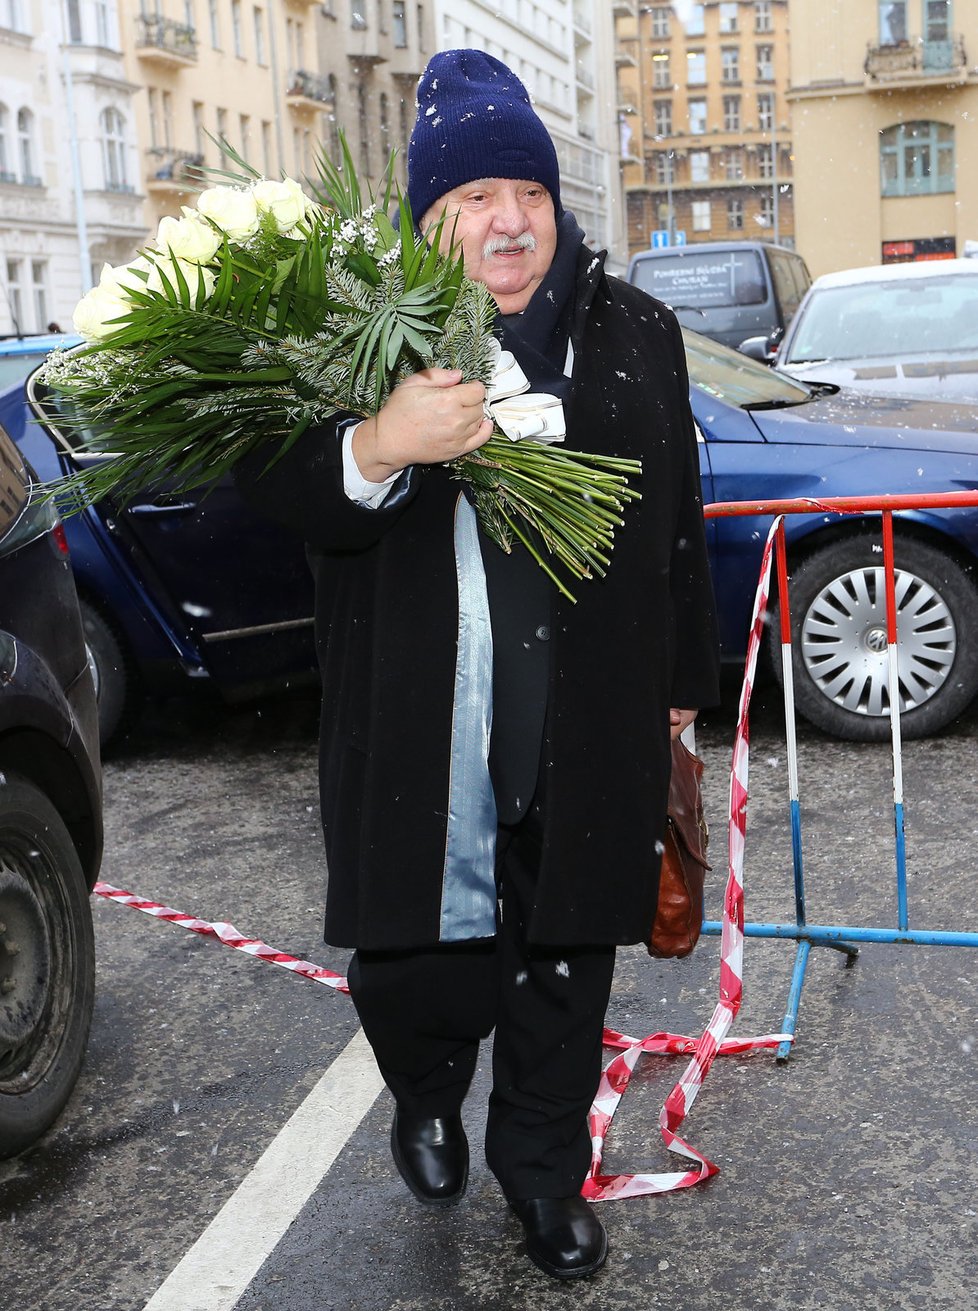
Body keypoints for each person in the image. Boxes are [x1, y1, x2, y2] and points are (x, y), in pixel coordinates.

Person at [237, 49, 719, 1281]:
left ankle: (545, 1178)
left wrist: (679, 691)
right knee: (414, 963)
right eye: (472, 197)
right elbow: (284, 496)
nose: (510, 220)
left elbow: (675, 520)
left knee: (567, 960)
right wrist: (382, 443)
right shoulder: (353, 341)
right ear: (426, 216)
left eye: (531, 191)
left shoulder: (634, 333)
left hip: (589, 719)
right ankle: (426, 1089)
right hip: (422, 729)